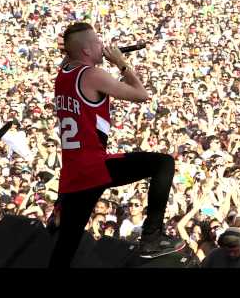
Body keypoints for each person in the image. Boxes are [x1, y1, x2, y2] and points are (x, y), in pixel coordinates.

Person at [48, 22, 184, 267]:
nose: (103, 45)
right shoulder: (93, 75)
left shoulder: (63, 73)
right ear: (87, 51)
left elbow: (69, 55)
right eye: (98, 42)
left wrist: (75, 49)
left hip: (72, 174)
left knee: (65, 248)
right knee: (163, 163)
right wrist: (122, 63)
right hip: (95, 166)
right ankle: (152, 237)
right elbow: (141, 95)